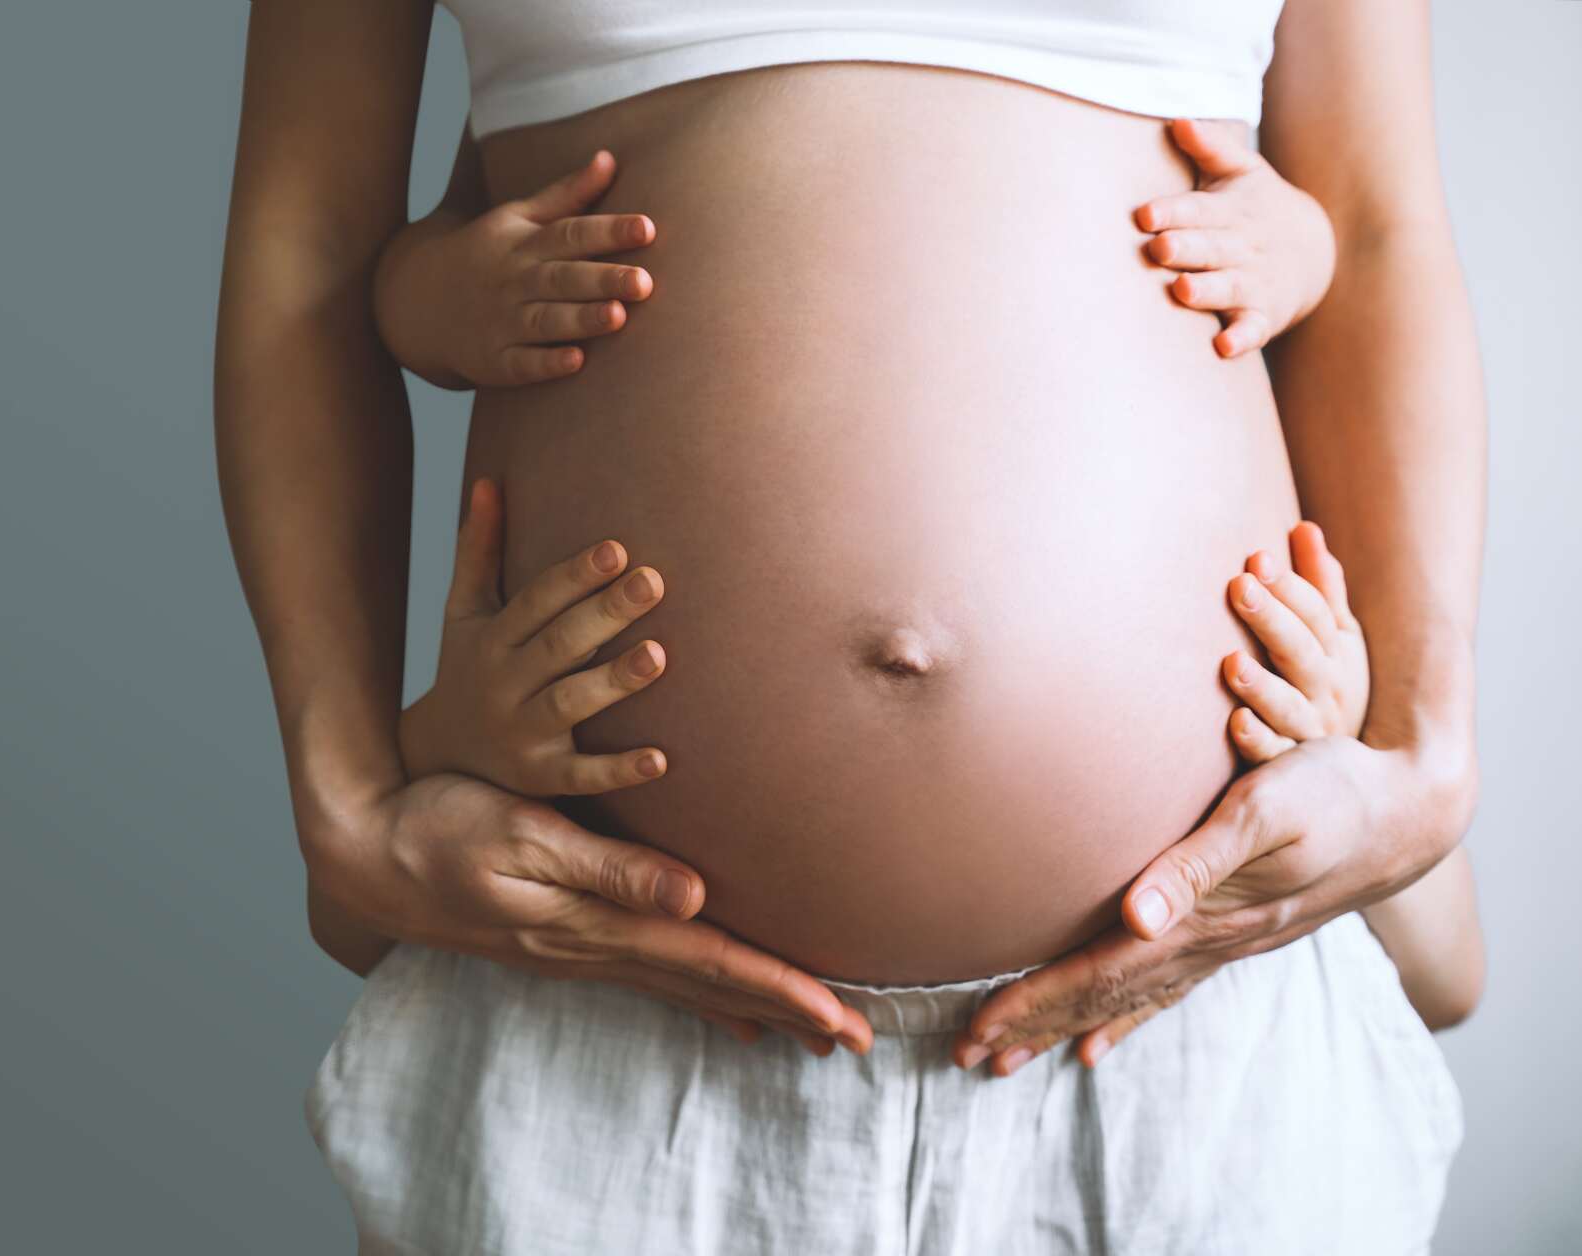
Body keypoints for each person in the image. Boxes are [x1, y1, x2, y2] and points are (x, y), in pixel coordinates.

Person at [215, 0, 1487, 1248]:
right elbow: (305, 251)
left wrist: (1425, 765)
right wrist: (344, 805)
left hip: (1191, 1009)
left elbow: (1376, 230)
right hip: (592, 1010)